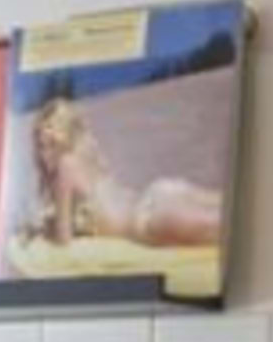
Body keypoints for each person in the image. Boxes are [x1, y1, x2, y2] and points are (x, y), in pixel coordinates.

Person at [25, 90, 220, 252]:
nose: (43, 154)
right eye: (40, 146)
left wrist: (48, 230)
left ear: (62, 138)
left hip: (145, 221)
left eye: (47, 145)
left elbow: (63, 240)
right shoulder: (88, 153)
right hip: (157, 194)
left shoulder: (64, 167)